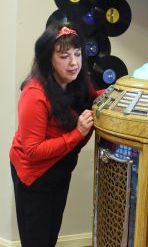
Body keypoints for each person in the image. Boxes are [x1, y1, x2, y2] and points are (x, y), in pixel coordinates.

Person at [9, 21, 103, 247]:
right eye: (64, 56)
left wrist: (118, 94)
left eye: (78, 54)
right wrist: (77, 134)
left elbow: (93, 96)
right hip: (35, 175)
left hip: (60, 168)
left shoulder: (76, 82)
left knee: (50, 235)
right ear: (48, 60)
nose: (74, 62)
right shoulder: (34, 93)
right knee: (36, 240)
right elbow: (32, 151)